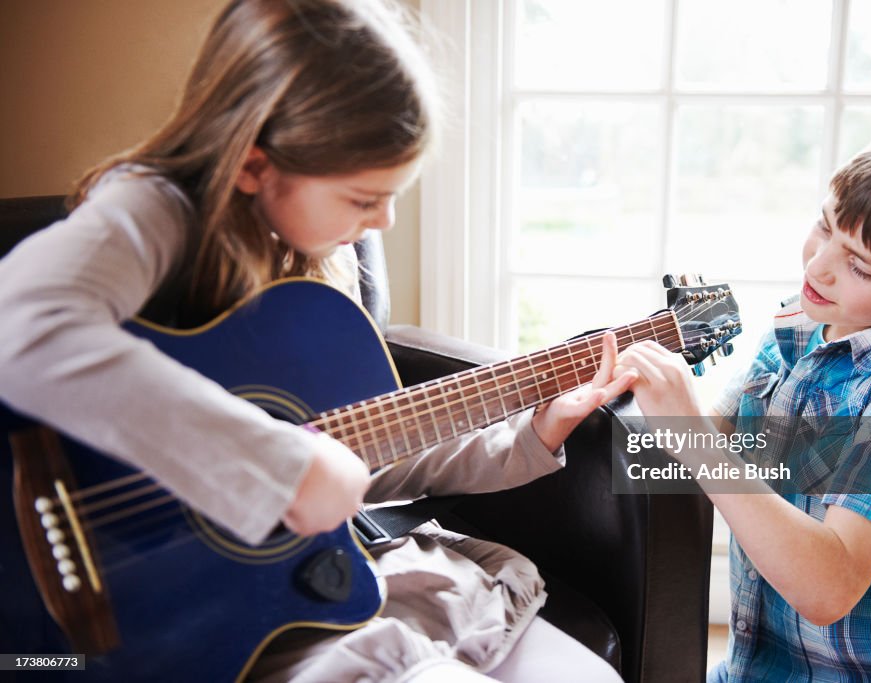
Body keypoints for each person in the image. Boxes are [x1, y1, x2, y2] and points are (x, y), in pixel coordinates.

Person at [0, 1, 635, 681]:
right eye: (364, 199)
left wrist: (531, 433)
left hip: (299, 586)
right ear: (253, 164)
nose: (383, 223)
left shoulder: (314, 260)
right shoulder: (150, 208)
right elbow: (22, 326)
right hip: (158, 620)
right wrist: (283, 467)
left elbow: (353, 455)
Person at [614, 113, 871, 681]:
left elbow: (826, 587)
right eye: (825, 226)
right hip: (757, 668)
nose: (819, 266)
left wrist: (692, 434)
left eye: (859, 265)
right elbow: (708, 445)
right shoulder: (801, 322)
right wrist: (621, 410)